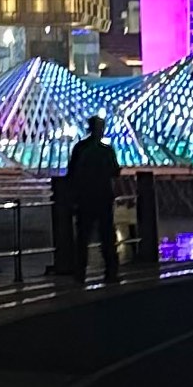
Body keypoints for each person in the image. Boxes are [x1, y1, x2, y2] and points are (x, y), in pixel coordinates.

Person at [64, 115, 120, 284]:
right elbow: (115, 171)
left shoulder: (80, 148)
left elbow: (72, 173)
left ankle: (80, 273)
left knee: (83, 237)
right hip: (103, 197)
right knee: (107, 236)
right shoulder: (106, 150)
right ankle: (111, 272)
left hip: (84, 198)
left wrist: (72, 197)